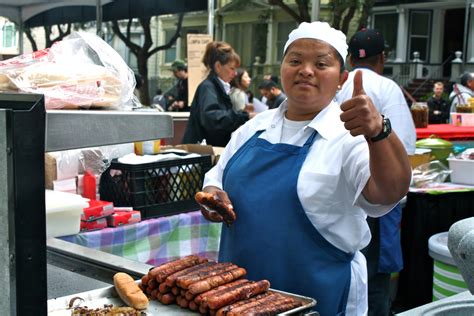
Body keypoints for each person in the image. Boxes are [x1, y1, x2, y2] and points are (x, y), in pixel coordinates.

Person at [198, 21, 411, 316]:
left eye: (321, 63)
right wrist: (212, 194)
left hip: (318, 296)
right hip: (240, 294)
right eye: (295, 60)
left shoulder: (348, 134)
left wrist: (379, 133)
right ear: (283, 67)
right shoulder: (253, 130)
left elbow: (387, 193)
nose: (306, 70)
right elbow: (217, 178)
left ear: (341, 78)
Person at [336, 28, 416, 316]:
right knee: (376, 280)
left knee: (352, 270)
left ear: (348, 59)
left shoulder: (336, 87)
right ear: (382, 57)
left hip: (343, 194)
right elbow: (406, 144)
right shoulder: (387, 88)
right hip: (379, 193)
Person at [182, 41, 251, 146]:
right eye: (232, 68)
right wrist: (244, 116)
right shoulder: (208, 87)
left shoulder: (216, 87)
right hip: (204, 151)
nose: (235, 73)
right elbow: (212, 118)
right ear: (218, 66)